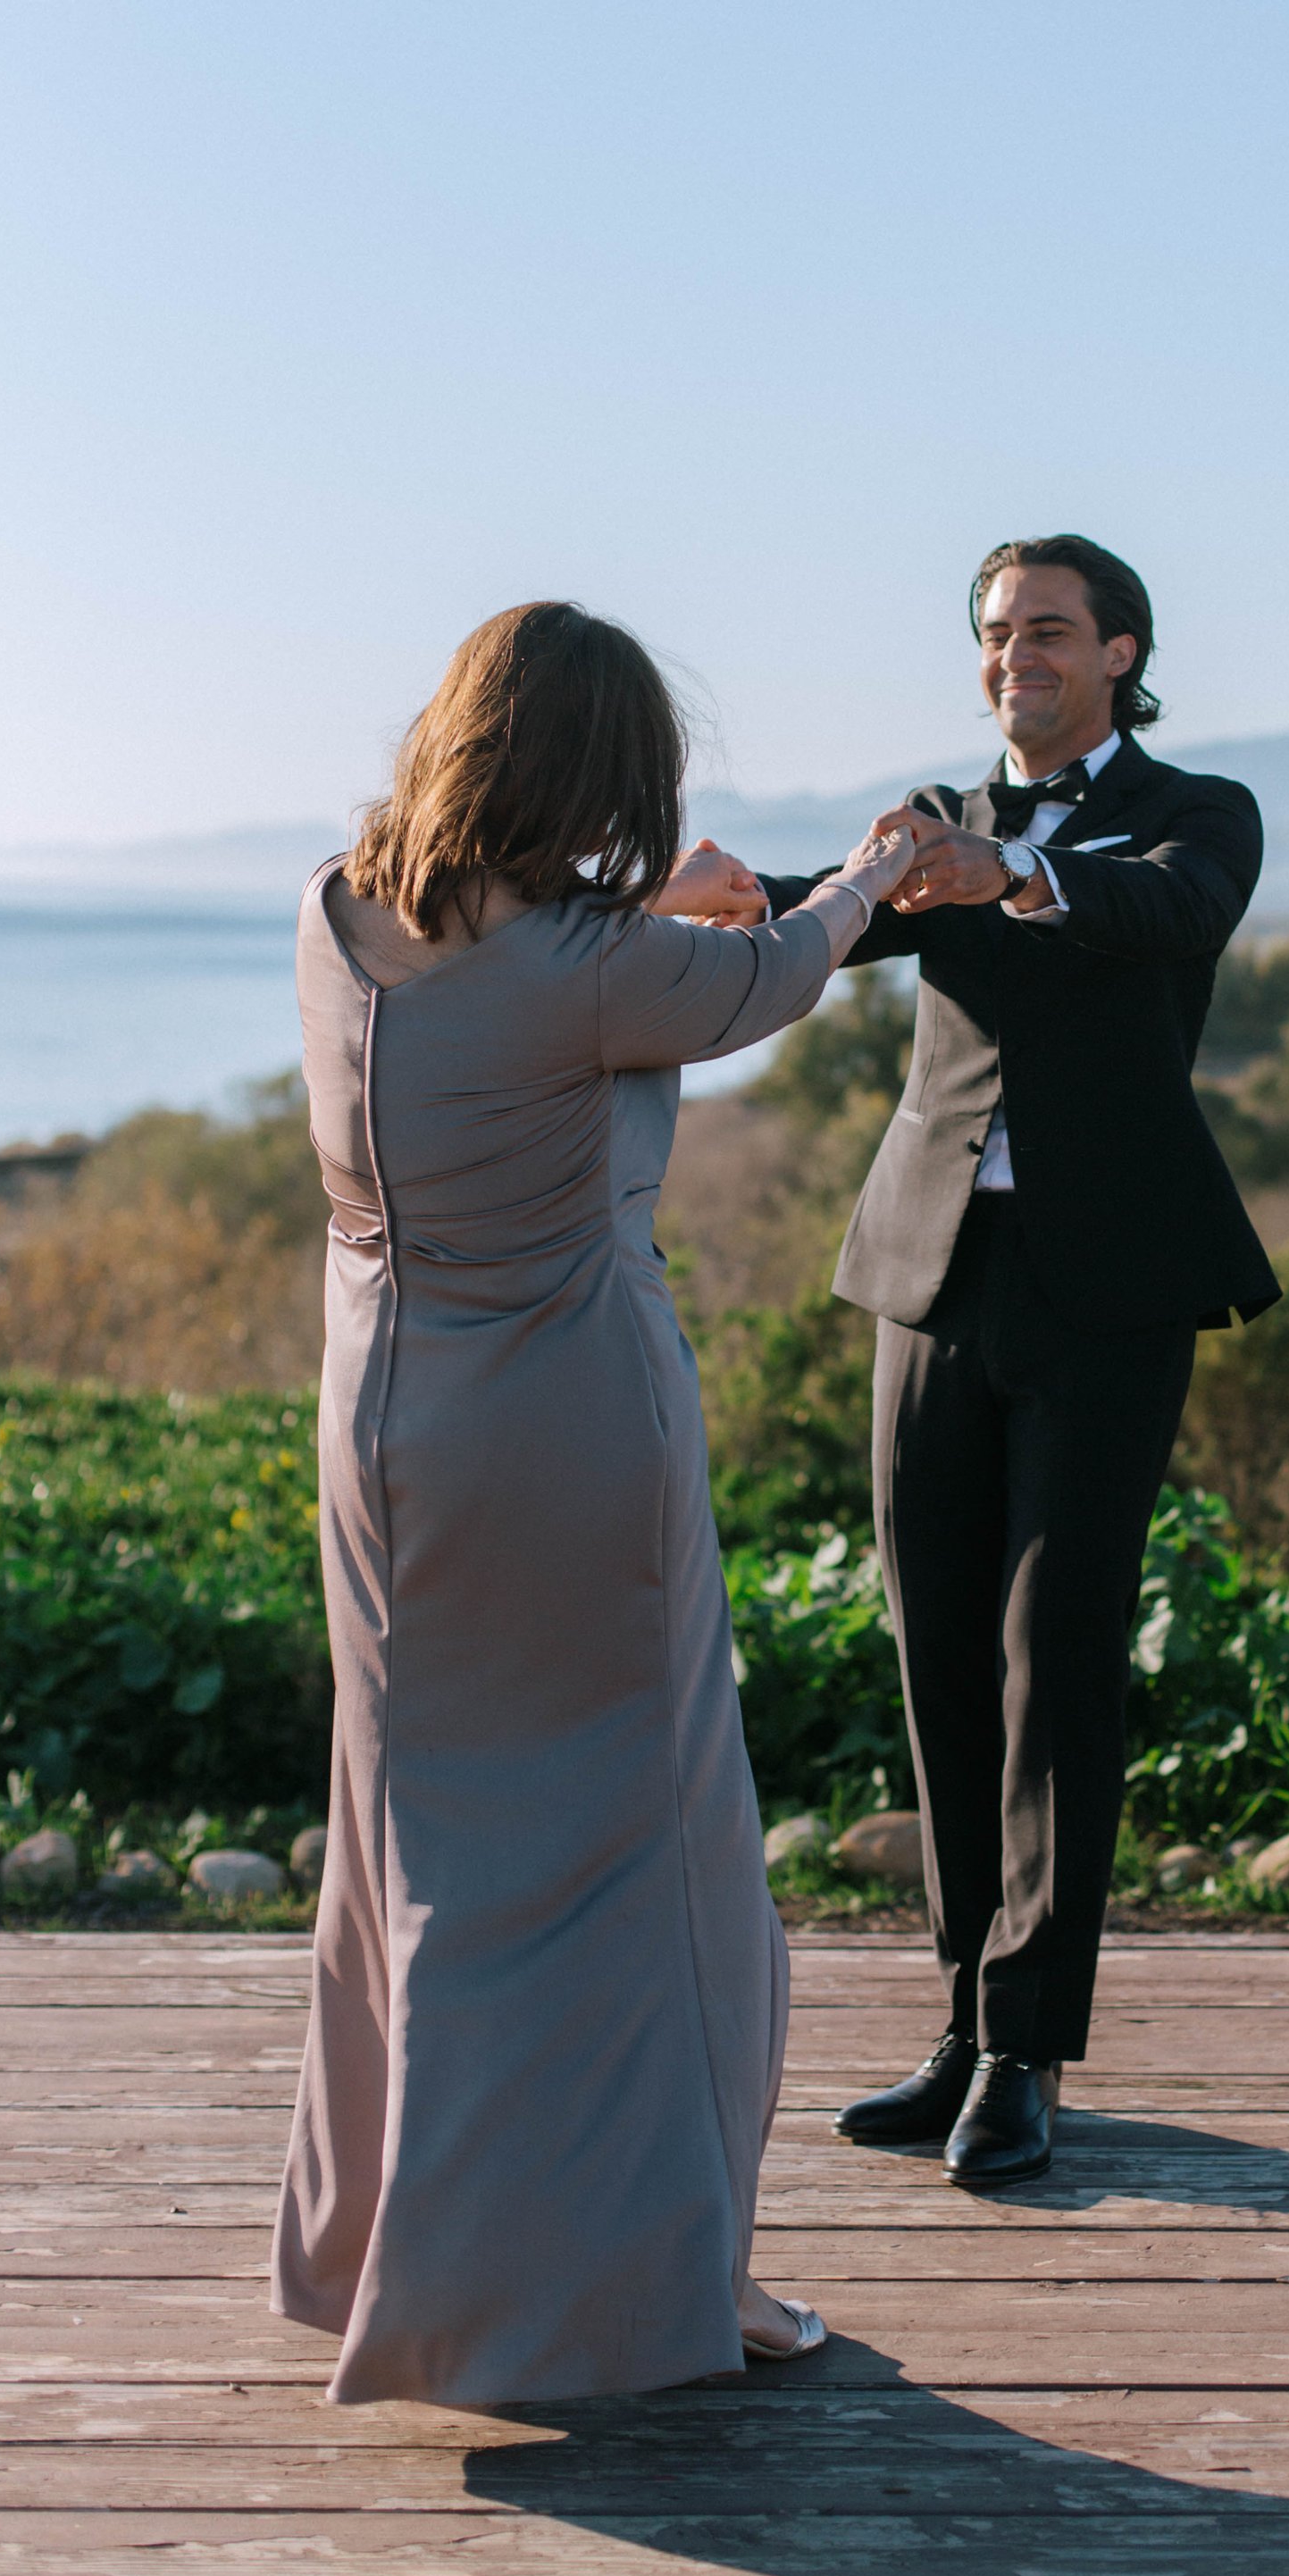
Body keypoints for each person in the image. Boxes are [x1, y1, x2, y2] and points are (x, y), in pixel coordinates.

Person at [270, 600, 921, 2404]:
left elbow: (551, 982)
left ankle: (397, 2253)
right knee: (640, 1861)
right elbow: (780, 978)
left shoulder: (336, 909)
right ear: (598, 775)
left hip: (382, 1434)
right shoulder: (591, 965)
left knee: (422, 1840)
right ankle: (625, 2293)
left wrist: (650, 919)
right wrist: (871, 867)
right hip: (562, 1438)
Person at [744, 536, 1278, 2186]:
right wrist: (728, 905)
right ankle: (963, 2022)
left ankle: (1033, 2043)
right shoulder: (935, 819)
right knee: (939, 1648)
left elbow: (1162, 914)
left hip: (1107, 1286)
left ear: (1120, 650)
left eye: (1049, 629)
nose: (1015, 654)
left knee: (1059, 1657)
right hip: (930, 1274)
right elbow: (838, 923)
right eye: (995, 632)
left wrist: (1016, 879)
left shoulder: (1201, 815)